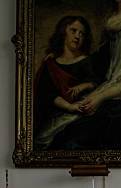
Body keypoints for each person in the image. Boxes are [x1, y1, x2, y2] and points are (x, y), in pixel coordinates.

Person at [48, 0, 121, 150]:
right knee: (54, 130)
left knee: (72, 138)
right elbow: (98, 65)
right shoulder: (114, 23)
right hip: (108, 95)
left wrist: (100, 97)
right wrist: (59, 58)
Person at [34, 16, 99, 150]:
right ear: (63, 32)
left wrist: (84, 85)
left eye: (82, 34)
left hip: (83, 113)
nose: (77, 36)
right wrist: (69, 107)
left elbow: (97, 82)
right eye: (73, 31)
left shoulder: (87, 61)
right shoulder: (50, 63)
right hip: (57, 114)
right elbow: (47, 94)